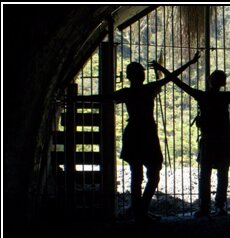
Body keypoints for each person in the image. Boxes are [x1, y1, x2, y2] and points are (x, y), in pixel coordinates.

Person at [79, 52, 200, 222]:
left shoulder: (128, 92)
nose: (143, 74)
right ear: (140, 75)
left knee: (137, 176)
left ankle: (139, 211)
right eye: (141, 72)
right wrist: (189, 62)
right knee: (153, 174)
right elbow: (172, 77)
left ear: (128, 76)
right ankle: (141, 210)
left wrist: (74, 98)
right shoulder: (148, 89)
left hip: (133, 133)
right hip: (148, 134)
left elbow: (102, 98)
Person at [151, 62, 230, 217]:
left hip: (209, 139)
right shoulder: (225, 96)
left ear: (210, 81)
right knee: (222, 174)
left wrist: (162, 70)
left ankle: (204, 206)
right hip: (223, 139)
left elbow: (180, 83)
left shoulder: (202, 96)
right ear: (223, 83)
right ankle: (220, 206)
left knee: (205, 174)